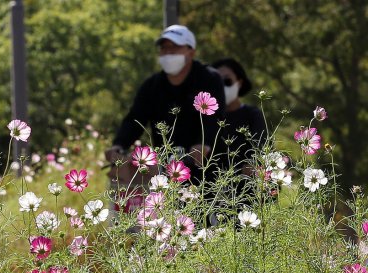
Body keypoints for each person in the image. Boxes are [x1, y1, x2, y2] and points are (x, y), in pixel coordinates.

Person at [106, 24, 226, 183]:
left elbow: (215, 117)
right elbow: (135, 119)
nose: (168, 53)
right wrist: (119, 144)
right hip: (164, 171)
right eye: (164, 48)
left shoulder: (209, 79)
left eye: (174, 47)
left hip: (205, 169)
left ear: (191, 52)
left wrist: (204, 144)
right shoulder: (151, 86)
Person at [210, 58, 266, 175]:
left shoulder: (253, 115)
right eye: (217, 81)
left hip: (244, 187)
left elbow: (260, 149)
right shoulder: (205, 118)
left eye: (227, 81)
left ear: (239, 82)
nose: (222, 86)